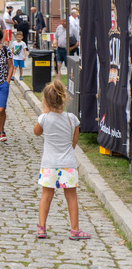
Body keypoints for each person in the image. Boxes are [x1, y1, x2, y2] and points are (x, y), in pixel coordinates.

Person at [34, 80, 90, 240]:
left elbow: (36, 132)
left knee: (46, 195)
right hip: (68, 164)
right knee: (71, 196)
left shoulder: (44, 119)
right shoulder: (72, 119)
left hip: (49, 164)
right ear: (63, 98)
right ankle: (75, 230)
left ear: (45, 100)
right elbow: (73, 143)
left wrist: (44, 113)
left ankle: (41, 228)